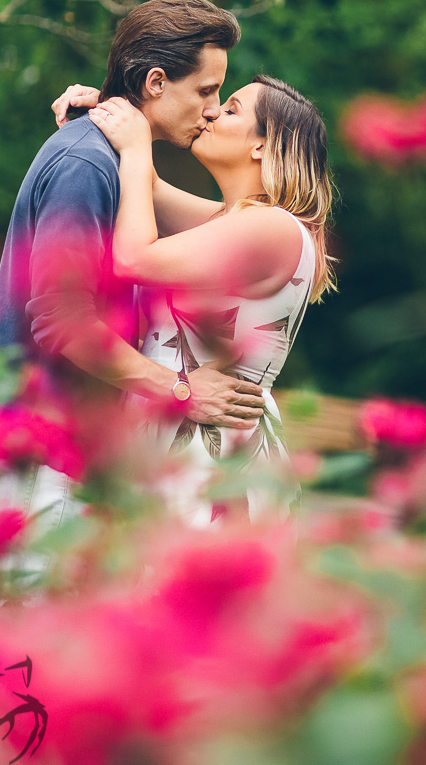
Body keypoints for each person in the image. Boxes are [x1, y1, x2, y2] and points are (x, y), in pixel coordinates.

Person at [0, 0, 266, 533]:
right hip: (45, 456)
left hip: (73, 459)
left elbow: (236, 229)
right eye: (207, 91)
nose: (213, 107)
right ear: (156, 82)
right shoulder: (86, 164)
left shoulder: (117, 161)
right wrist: (180, 388)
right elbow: (61, 321)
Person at [58, 73, 335, 524]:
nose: (211, 111)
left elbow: (132, 259)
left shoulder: (271, 228)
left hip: (211, 463)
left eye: (231, 109)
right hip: (178, 444)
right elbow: (144, 185)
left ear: (262, 146)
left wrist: (132, 145)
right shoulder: (232, 221)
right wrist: (103, 112)